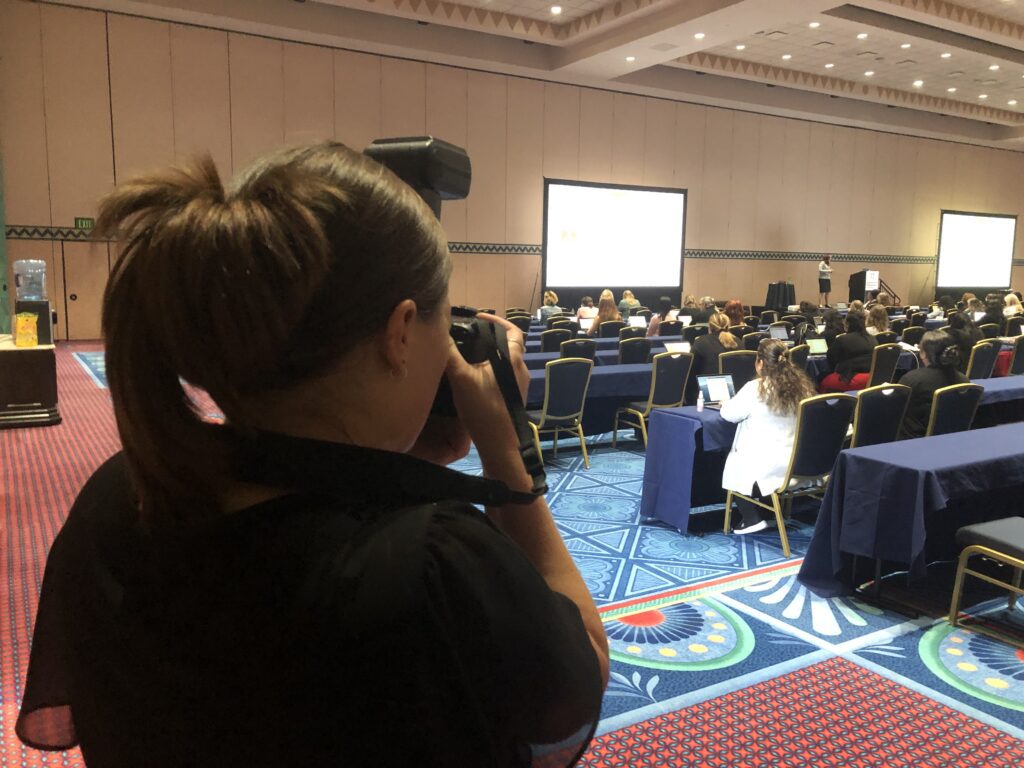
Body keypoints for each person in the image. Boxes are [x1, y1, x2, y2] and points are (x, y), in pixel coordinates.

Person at [15, 144, 608, 767]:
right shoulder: (438, 563)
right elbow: (581, 669)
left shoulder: (123, 494)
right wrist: (508, 457)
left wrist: (411, 463)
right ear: (401, 331)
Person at [720, 339, 817, 534]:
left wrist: (724, 403)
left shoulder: (755, 388)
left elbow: (729, 415)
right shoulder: (803, 388)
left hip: (764, 466)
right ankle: (768, 511)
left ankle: (751, 518)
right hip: (797, 464)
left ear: (760, 363)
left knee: (733, 463)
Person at [898, 331, 968, 438]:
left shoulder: (912, 380)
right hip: (955, 440)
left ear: (923, 354)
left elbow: (896, 409)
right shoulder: (964, 381)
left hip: (915, 442)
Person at [685, 311, 738, 403]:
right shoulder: (738, 342)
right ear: (728, 326)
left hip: (706, 395)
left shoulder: (701, 342)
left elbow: (690, 368)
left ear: (709, 326)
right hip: (735, 394)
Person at [819, 310, 877, 392]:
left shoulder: (842, 339)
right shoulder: (873, 339)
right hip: (872, 378)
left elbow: (830, 358)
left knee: (823, 380)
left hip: (850, 378)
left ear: (848, 324)